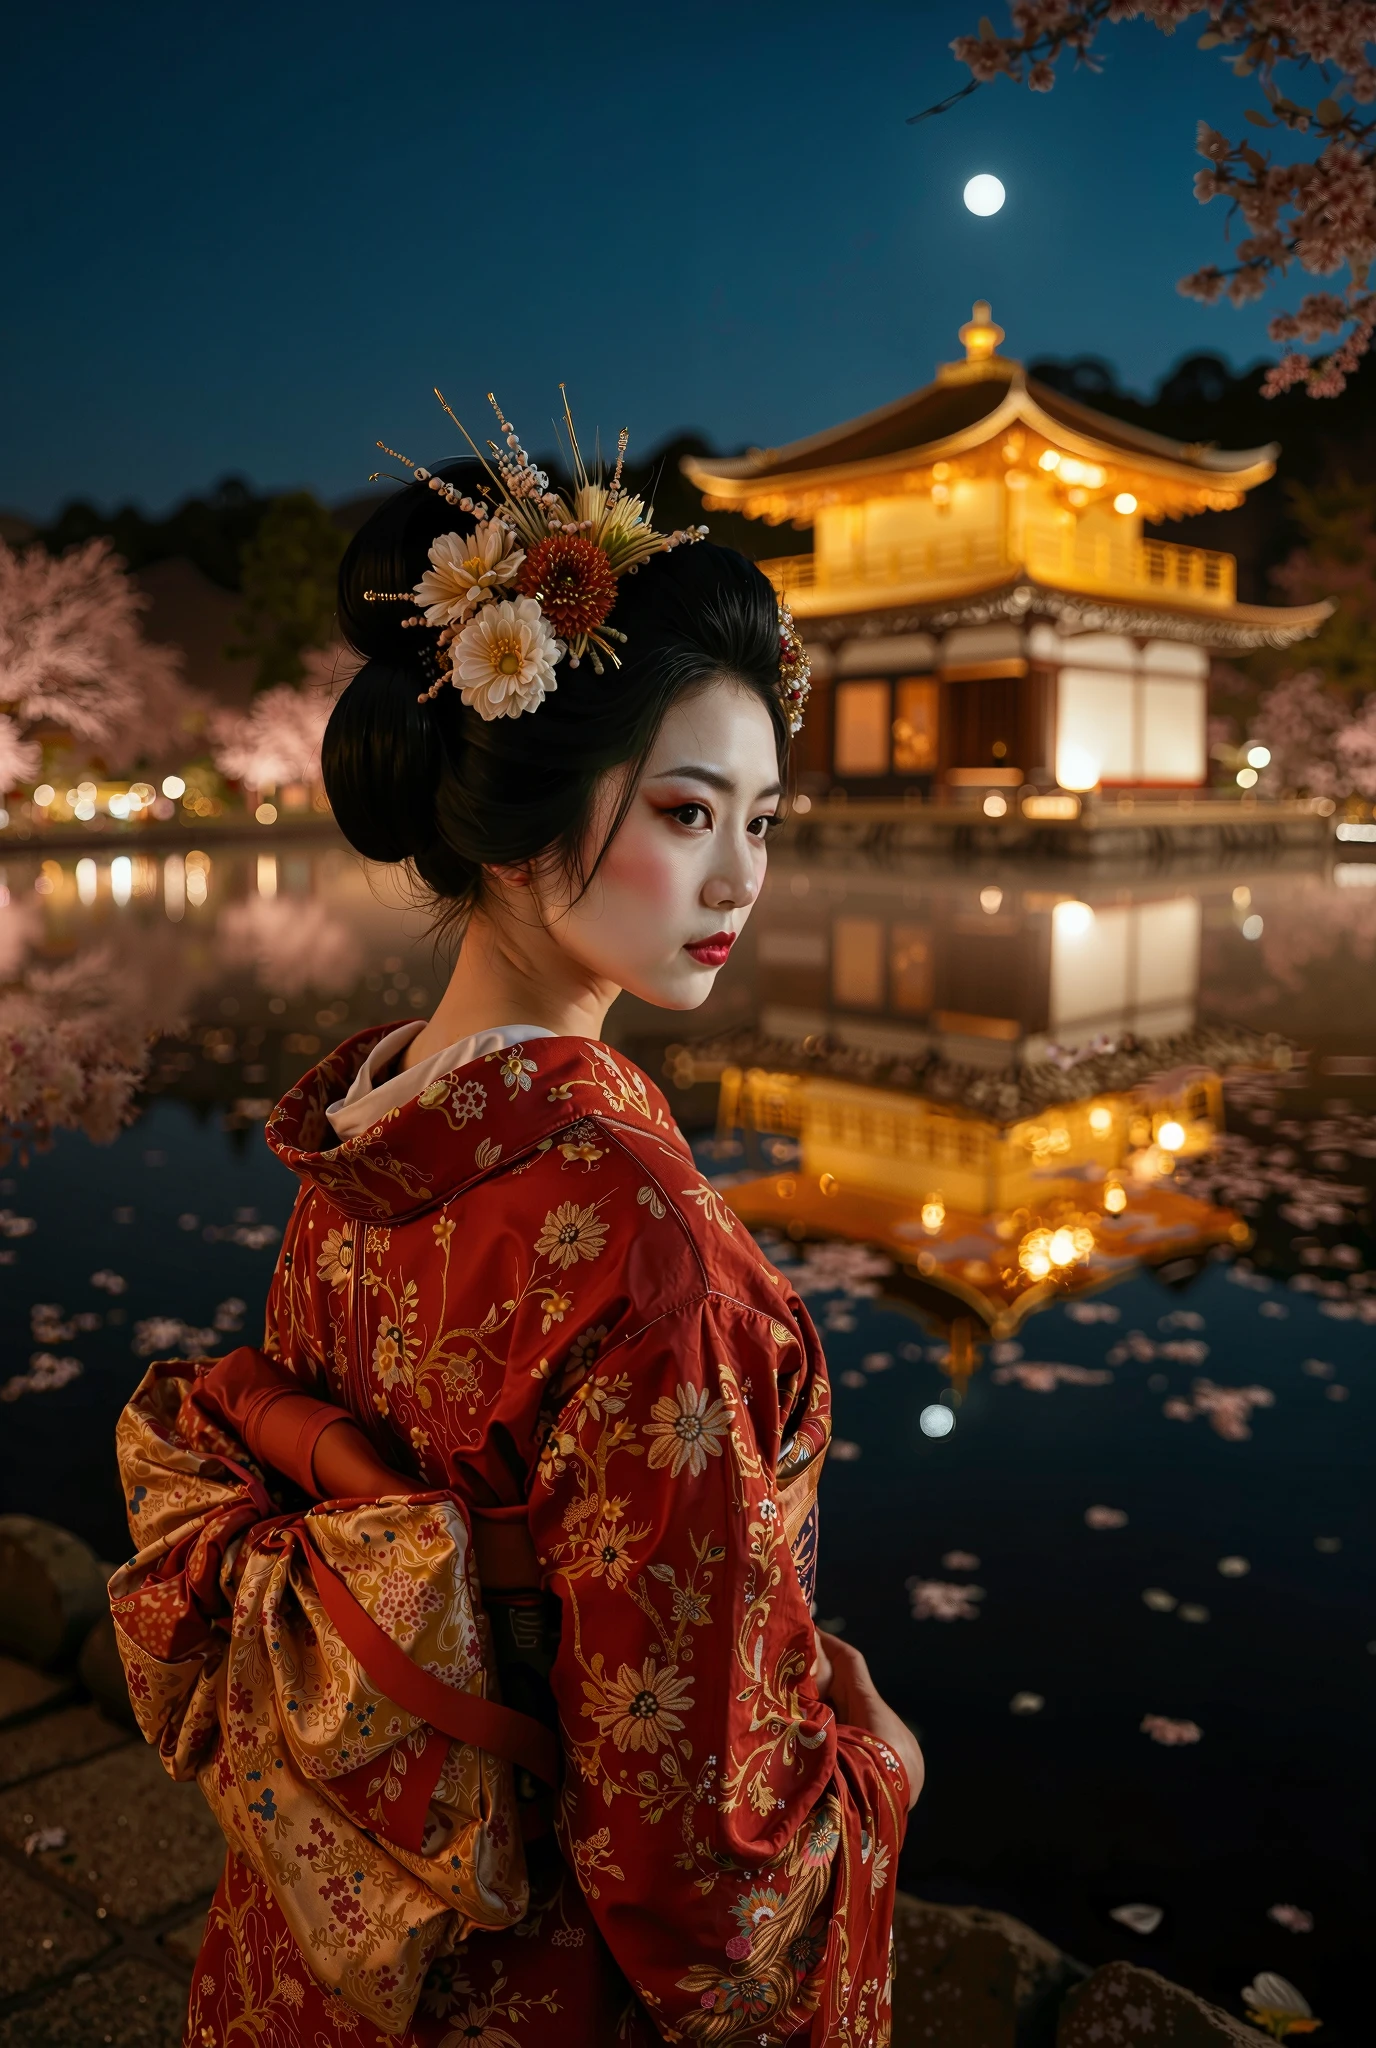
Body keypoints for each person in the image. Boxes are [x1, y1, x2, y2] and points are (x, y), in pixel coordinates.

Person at [113, 412, 922, 2047]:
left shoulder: (364, 1125)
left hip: (317, 1936)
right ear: (520, 810)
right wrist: (882, 1773)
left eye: (763, 822)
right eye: (689, 812)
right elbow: (692, 1868)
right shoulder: (655, 1262)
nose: (739, 878)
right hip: (526, 1974)